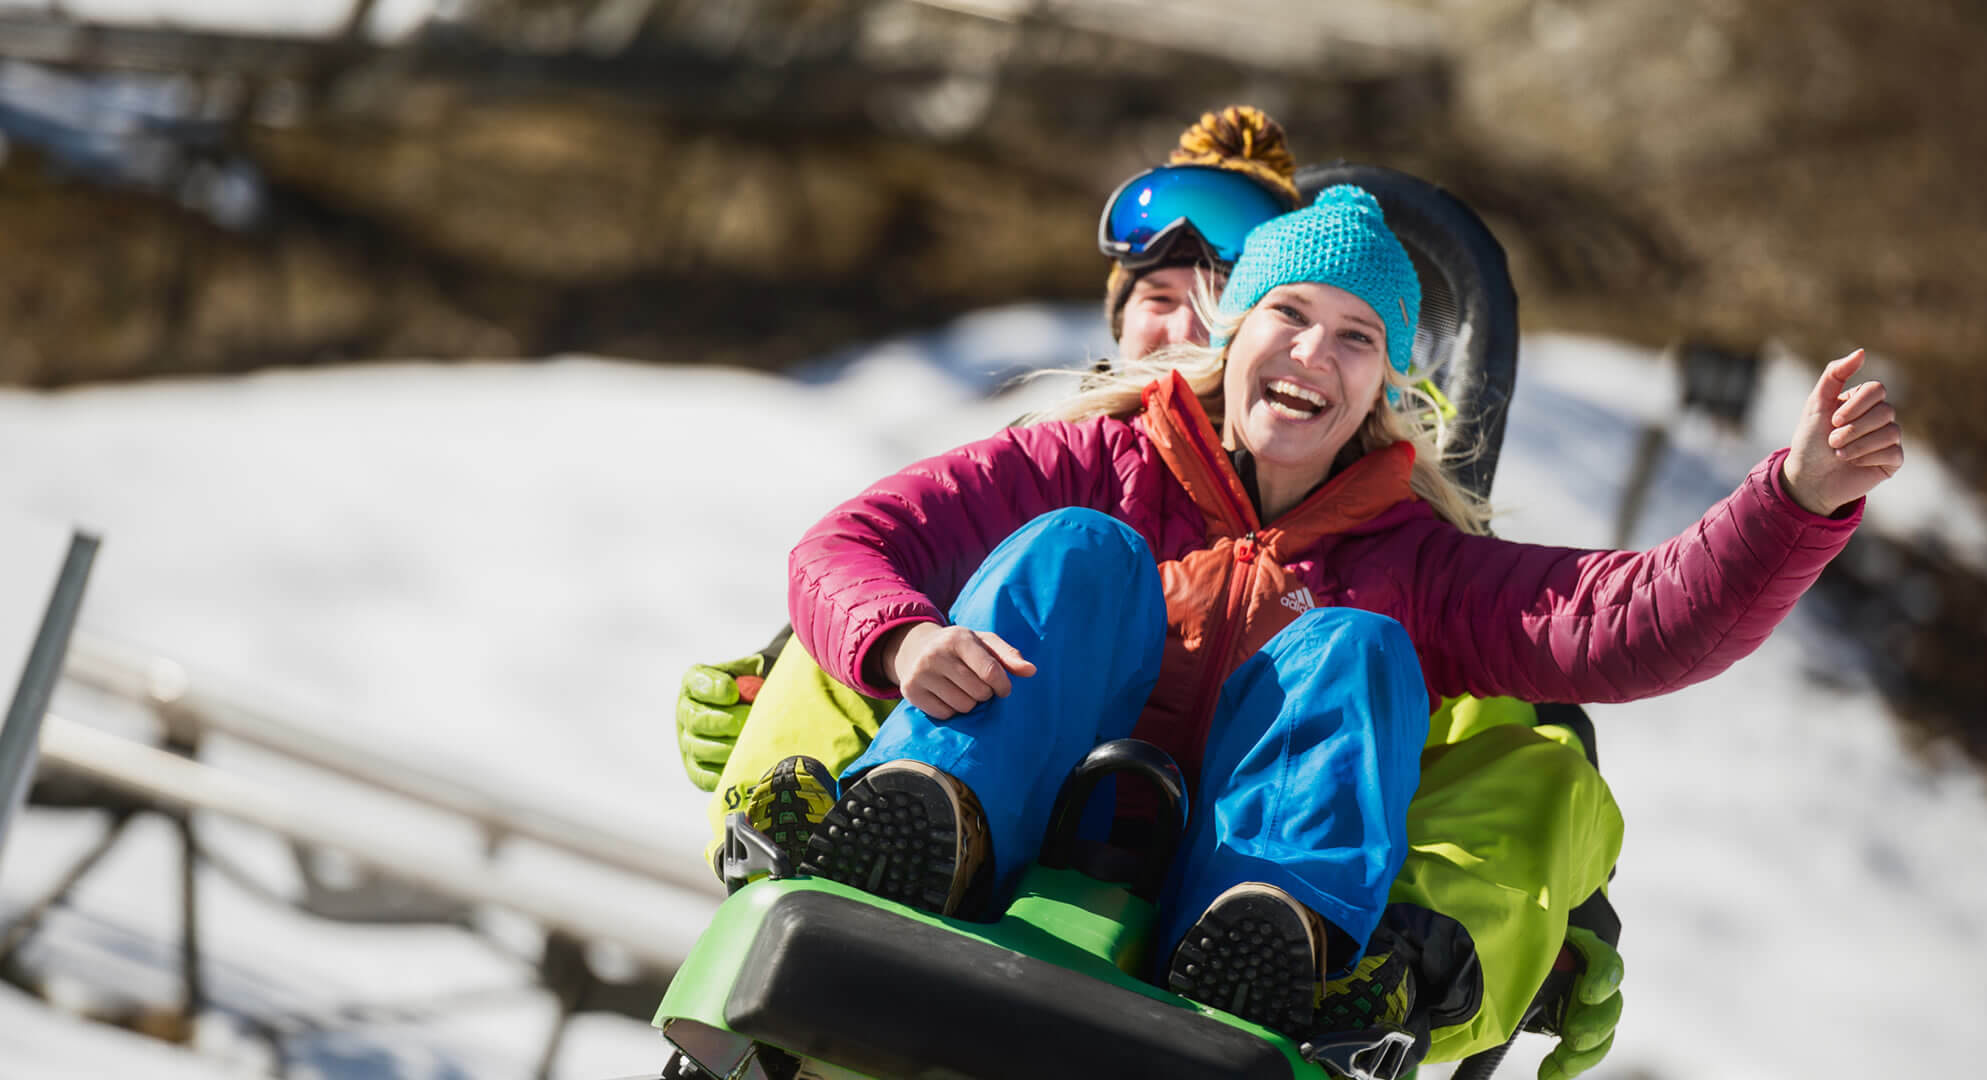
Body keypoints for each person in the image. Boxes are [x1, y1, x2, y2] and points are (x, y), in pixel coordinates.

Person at [778, 183, 1898, 1070]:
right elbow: (847, 545)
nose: (1314, 355)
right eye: (1292, 316)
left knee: (1358, 648)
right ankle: (930, 822)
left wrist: (1794, 497)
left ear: (1385, 385)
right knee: (1077, 552)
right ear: (1236, 333)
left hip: (1210, 897)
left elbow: (1632, 622)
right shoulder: (1092, 458)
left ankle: (1268, 939)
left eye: (1356, 338)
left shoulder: (1407, 563)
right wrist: (901, 641)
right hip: (1016, 826)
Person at [681, 108, 1629, 1076]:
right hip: (958, 914)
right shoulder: (1056, 470)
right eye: (1156, 294)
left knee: (1389, 682)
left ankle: (1328, 968)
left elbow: (1516, 756)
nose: (1181, 325)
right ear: (1114, 315)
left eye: (1216, 294)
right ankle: (837, 842)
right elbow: (860, 575)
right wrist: (770, 712)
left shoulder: (1392, 540)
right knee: (911, 617)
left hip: (1227, 932)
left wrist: (1541, 918)